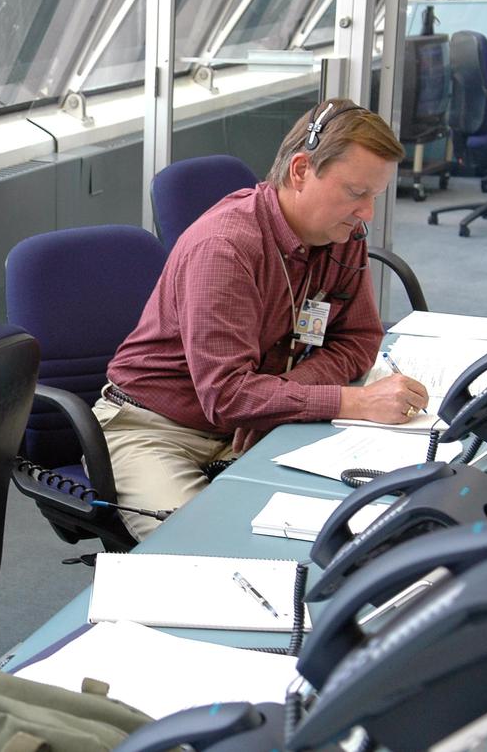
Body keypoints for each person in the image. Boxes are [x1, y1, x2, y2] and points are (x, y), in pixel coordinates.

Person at [98, 100, 429, 540]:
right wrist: (354, 402)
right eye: (356, 193)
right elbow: (228, 395)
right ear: (300, 171)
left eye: (375, 196)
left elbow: (359, 338)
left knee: (337, 523)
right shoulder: (226, 248)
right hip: (154, 428)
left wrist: (277, 400)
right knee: (208, 548)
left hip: (254, 417)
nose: (366, 212)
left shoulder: (340, 233)